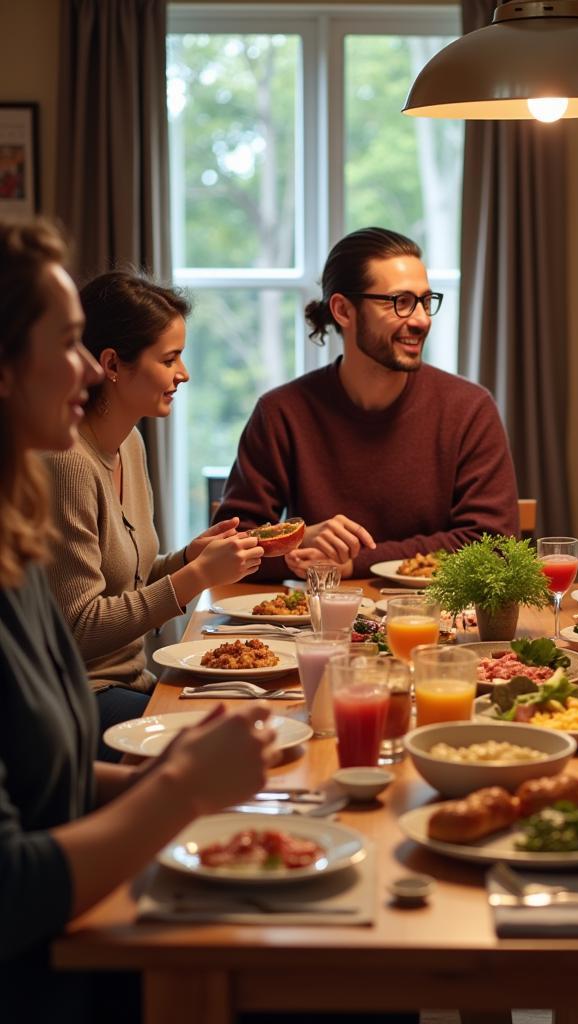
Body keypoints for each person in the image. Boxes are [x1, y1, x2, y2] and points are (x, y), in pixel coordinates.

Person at [0, 219, 278, 1020]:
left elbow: (44, 782)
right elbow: (13, 885)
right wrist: (181, 787)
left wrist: (160, 780)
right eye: (69, 344)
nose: (88, 370)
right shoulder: (57, 474)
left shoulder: (13, 538)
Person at [214, 227, 519, 580]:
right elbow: (227, 548)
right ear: (343, 310)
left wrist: (353, 562)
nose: (421, 319)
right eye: (400, 302)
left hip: (435, 623)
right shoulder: (281, 413)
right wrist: (298, 544)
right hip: (319, 628)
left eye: (424, 300)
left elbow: (493, 545)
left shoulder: (469, 409)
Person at [44, 271, 264, 756]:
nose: (183, 373)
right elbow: (77, 629)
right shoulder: (68, 464)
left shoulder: (131, 443)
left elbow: (128, 583)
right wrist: (193, 579)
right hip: (82, 701)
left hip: (134, 684)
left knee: (263, 713)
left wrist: (188, 558)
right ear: (112, 365)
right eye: (169, 359)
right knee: (238, 741)